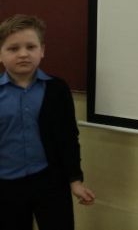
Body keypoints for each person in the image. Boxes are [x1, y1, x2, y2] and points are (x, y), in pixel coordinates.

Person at [0, 14, 95, 230]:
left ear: (42, 50)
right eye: (13, 48)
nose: (23, 54)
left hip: (50, 183)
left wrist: (75, 181)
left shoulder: (57, 89)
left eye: (31, 47)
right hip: (6, 187)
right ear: (0, 54)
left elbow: (68, 138)